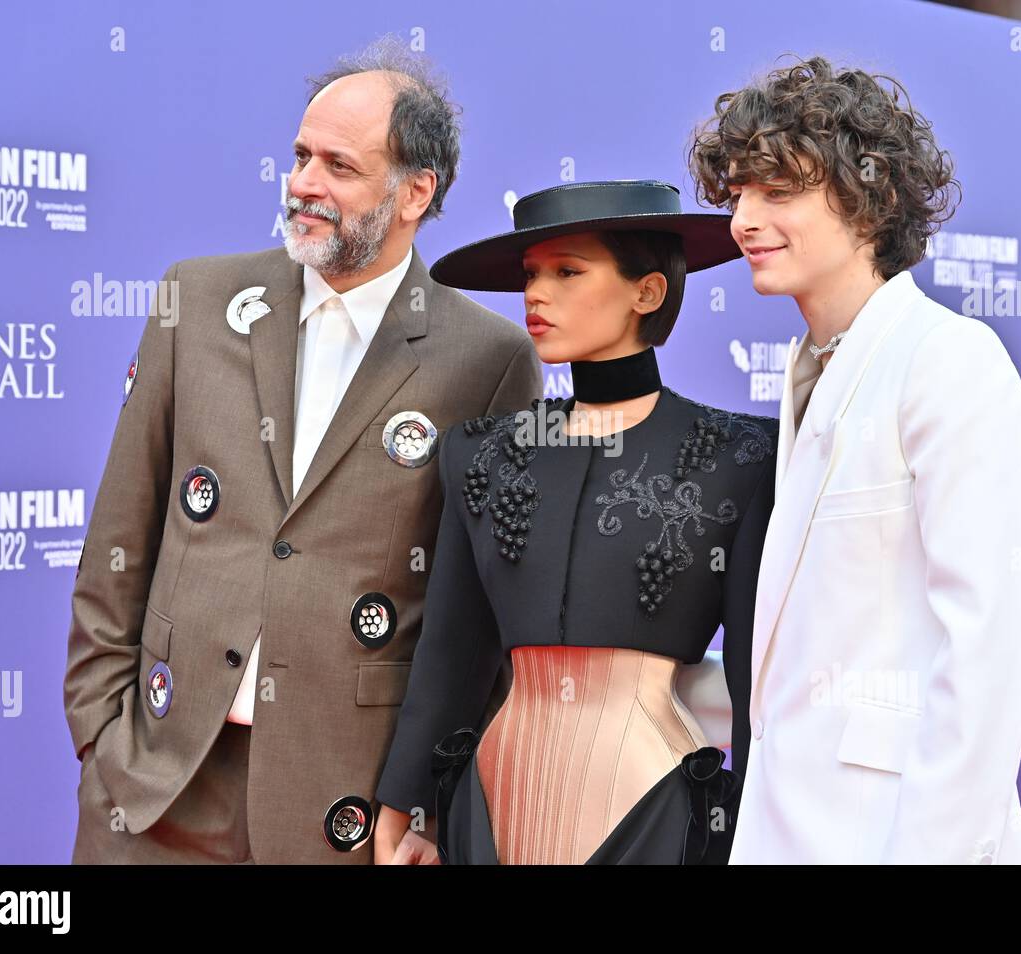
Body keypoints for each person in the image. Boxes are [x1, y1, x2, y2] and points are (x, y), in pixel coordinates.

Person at [63, 40, 542, 864]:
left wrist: (426, 803)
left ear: (414, 193)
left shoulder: (486, 359)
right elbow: (120, 537)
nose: (303, 185)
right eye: (299, 156)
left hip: (346, 809)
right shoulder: (200, 301)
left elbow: (479, 620)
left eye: (339, 166)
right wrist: (103, 741)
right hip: (154, 791)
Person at [690, 55, 1021, 863]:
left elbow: (985, 652)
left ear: (869, 198)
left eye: (778, 191)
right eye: (738, 191)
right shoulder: (810, 366)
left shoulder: (950, 359)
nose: (743, 218)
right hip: (794, 819)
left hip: (900, 831)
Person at [373, 179, 778, 865]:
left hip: (656, 807)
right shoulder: (481, 453)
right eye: (531, 274)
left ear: (646, 292)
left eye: (567, 271)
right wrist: (405, 807)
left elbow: (753, 680)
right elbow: (450, 654)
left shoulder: (742, 455)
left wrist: (767, 831)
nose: (536, 294)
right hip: (489, 807)